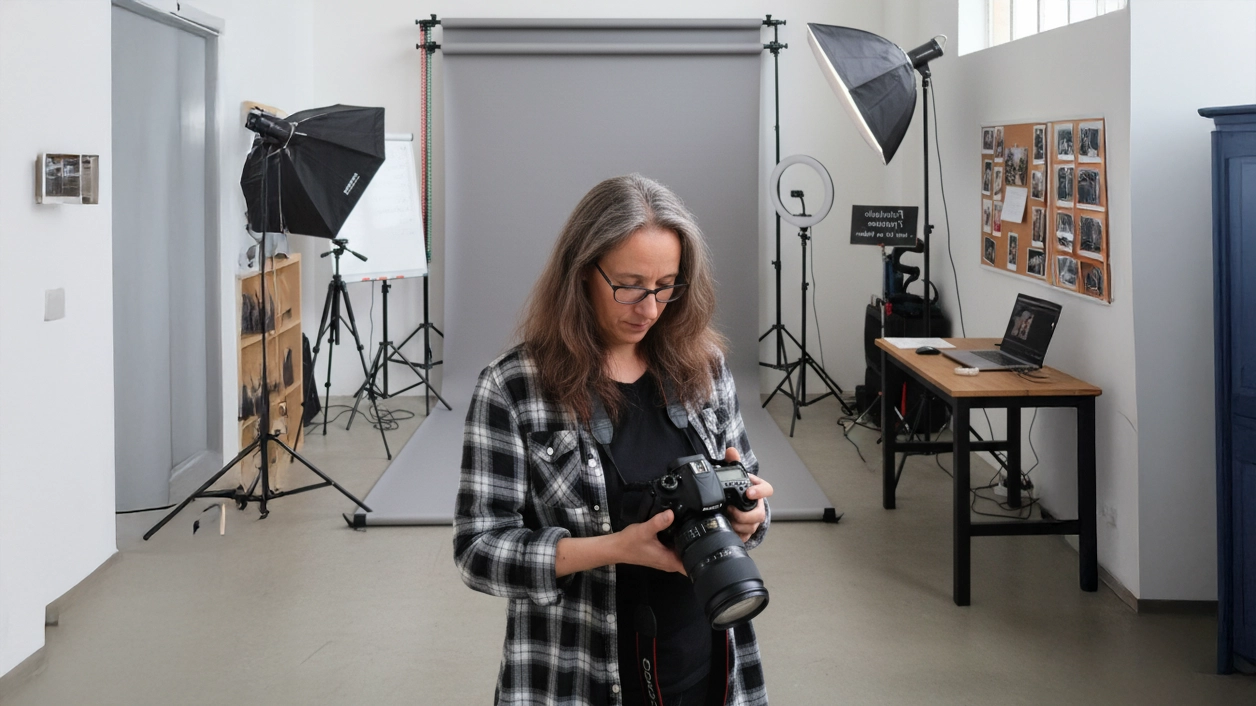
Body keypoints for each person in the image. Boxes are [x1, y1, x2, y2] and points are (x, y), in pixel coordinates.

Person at [454, 174, 773, 706]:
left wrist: (751, 516)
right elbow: (478, 550)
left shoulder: (706, 369)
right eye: (628, 284)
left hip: (706, 666)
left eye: (667, 285)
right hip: (578, 676)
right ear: (581, 273)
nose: (649, 308)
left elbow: (751, 497)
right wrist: (613, 550)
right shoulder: (514, 387)